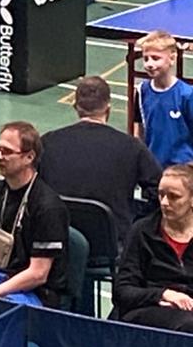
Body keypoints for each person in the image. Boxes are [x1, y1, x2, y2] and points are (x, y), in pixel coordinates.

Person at [39, 75, 160, 247]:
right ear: (108, 109)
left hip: (56, 242)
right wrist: (135, 216)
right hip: (111, 245)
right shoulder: (132, 147)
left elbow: (31, 187)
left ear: (75, 107)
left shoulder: (48, 142)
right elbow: (159, 191)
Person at [0, 123, 69, 307]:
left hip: (32, 291)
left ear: (29, 157)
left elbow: (38, 274)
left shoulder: (48, 207)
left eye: (7, 152)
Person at [113, 164, 193, 333]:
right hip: (147, 309)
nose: (164, 203)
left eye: (174, 197)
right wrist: (162, 294)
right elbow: (122, 291)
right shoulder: (142, 231)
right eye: (161, 194)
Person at [135, 30, 193, 166]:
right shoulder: (142, 91)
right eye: (146, 58)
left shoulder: (187, 94)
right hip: (153, 167)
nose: (149, 64)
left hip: (182, 170)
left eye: (156, 58)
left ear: (172, 59)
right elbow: (139, 130)